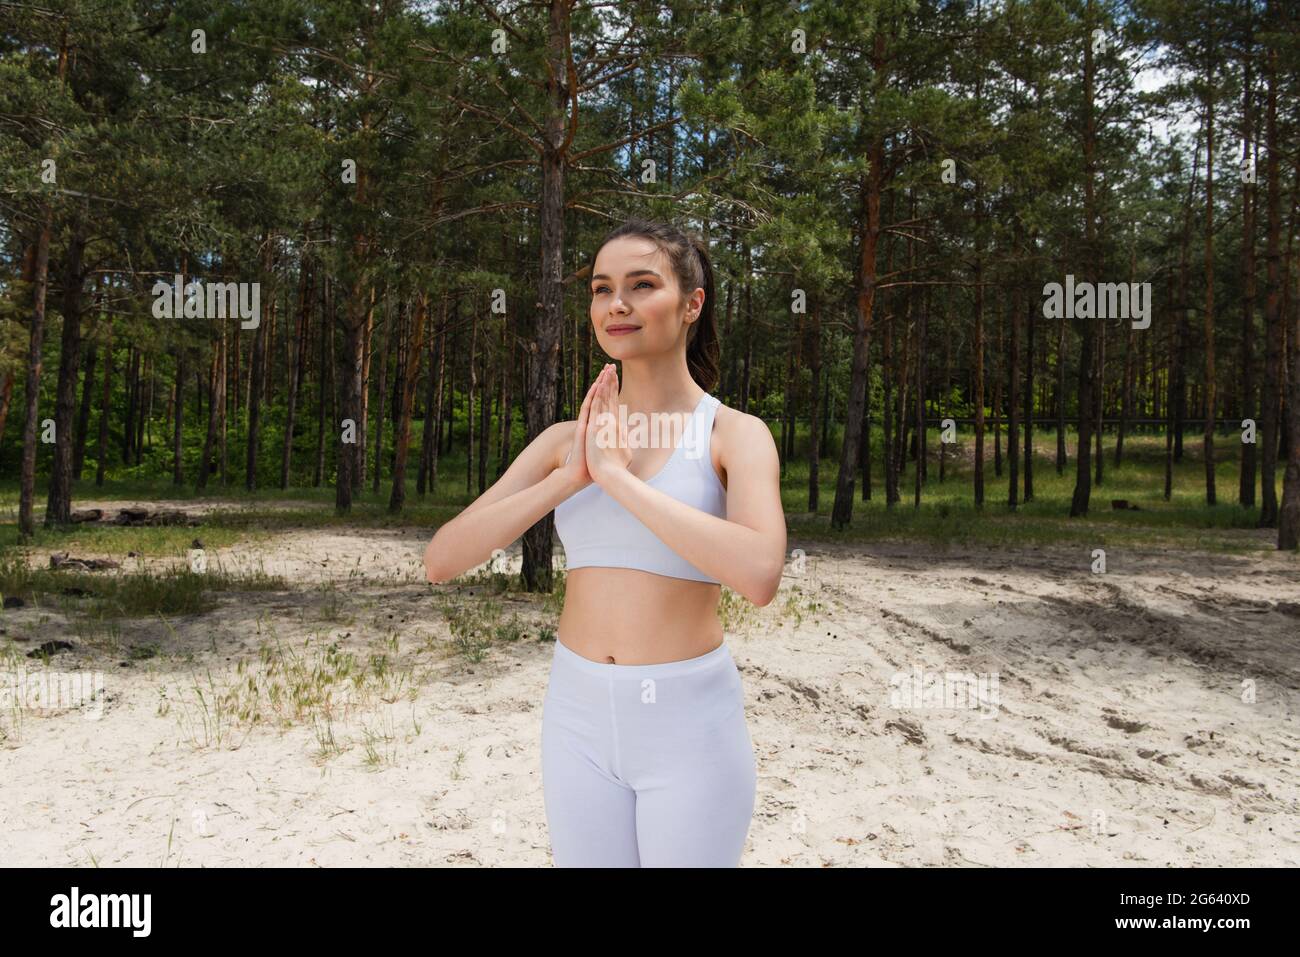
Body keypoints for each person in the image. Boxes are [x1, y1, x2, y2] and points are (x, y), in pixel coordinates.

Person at [424, 218, 786, 867]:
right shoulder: (567, 441)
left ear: (691, 304)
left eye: (641, 285)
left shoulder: (735, 434)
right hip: (577, 713)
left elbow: (759, 575)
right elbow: (442, 558)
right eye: (600, 288)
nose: (615, 304)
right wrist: (569, 478)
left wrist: (618, 480)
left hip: (688, 722)